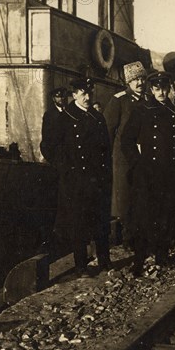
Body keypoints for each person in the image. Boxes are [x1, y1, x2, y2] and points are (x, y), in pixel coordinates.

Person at [122, 71, 175, 275]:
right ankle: (139, 258)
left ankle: (161, 255)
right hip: (146, 173)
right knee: (143, 217)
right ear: (151, 89)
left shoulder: (173, 112)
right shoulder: (141, 110)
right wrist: (137, 163)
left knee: (165, 214)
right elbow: (126, 140)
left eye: (165, 88)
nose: (161, 92)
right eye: (157, 89)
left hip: (168, 172)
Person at [52, 78, 112, 276]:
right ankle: (80, 265)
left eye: (89, 93)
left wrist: (105, 174)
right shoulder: (66, 117)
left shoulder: (97, 117)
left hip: (97, 180)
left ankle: (104, 260)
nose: (87, 97)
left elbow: (105, 149)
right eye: (83, 93)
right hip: (75, 181)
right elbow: (51, 146)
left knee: (100, 221)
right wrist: (65, 170)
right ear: (74, 94)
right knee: (78, 224)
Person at [104, 61, 146, 249]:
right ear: (128, 82)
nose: (140, 83)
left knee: (142, 196)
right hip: (123, 159)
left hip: (144, 157)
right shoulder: (119, 100)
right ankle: (128, 238)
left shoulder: (148, 100)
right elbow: (107, 130)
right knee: (125, 198)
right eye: (135, 79)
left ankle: (142, 236)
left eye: (142, 78)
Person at [40, 86, 68, 163]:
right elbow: (46, 136)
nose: (61, 99)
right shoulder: (49, 114)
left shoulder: (69, 112)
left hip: (68, 155)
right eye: (58, 96)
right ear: (53, 99)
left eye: (62, 96)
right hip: (56, 154)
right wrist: (51, 157)